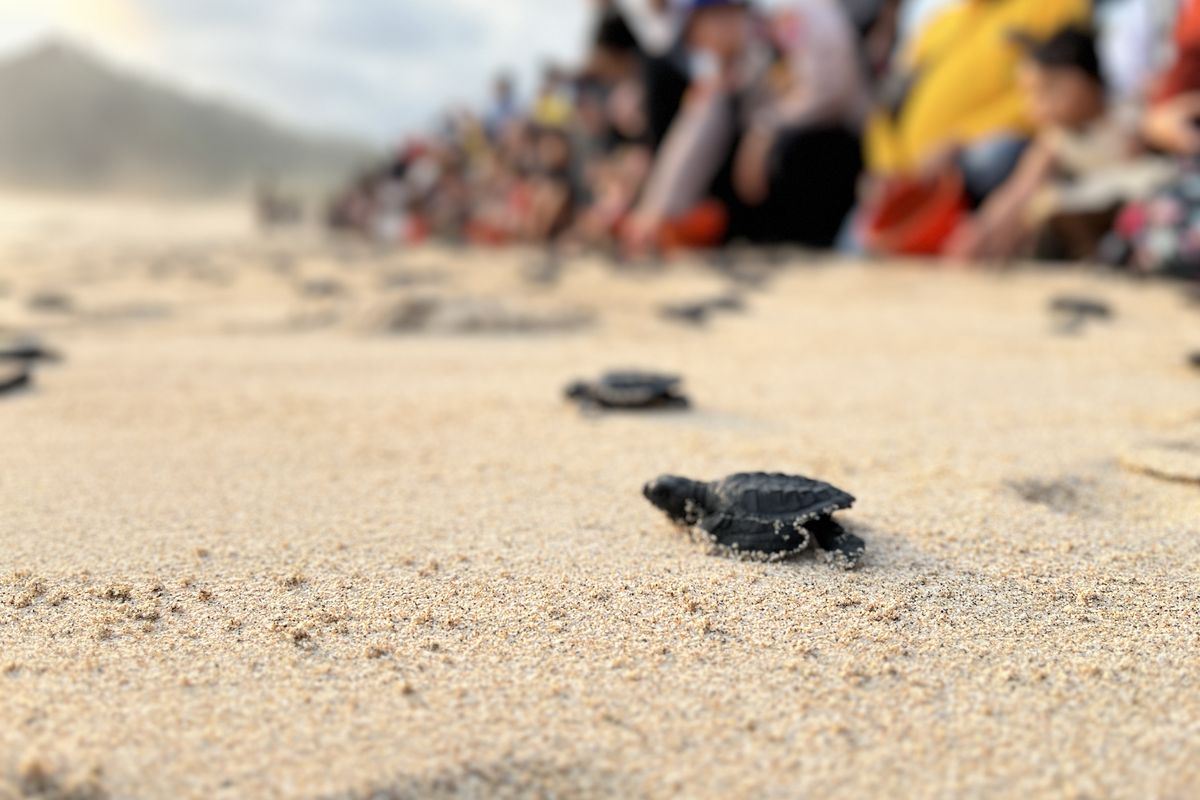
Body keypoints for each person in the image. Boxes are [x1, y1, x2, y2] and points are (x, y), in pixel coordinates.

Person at [624, 0, 869, 251]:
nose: (697, 46)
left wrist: (763, 130)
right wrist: (656, 210)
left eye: (694, 33)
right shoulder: (736, 58)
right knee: (726, 137)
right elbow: (697, 134)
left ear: (717, 15)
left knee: (786, 149)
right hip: (782, 148)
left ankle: (809, 238)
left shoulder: (790, 14)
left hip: (840, 147)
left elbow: (831, 91)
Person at [944, 26, 1170, 261]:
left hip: (1141, 215)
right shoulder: (1056, 140)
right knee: (1042, 206)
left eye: (1046, 91)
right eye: (1030, 95)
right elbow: (1020, 190)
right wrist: (984, 229)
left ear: (1084, 84)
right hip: (1086, 219)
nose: (1034, 108)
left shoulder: (1130, 118)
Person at [865, 0, 1091, 201]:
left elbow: (1060, 95)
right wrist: (886, 166)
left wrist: (963, 137)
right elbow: (889, 102)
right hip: (907, 175)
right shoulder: (941, 23)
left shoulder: (1054, 6)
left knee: (994, 155)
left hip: (980, 159)